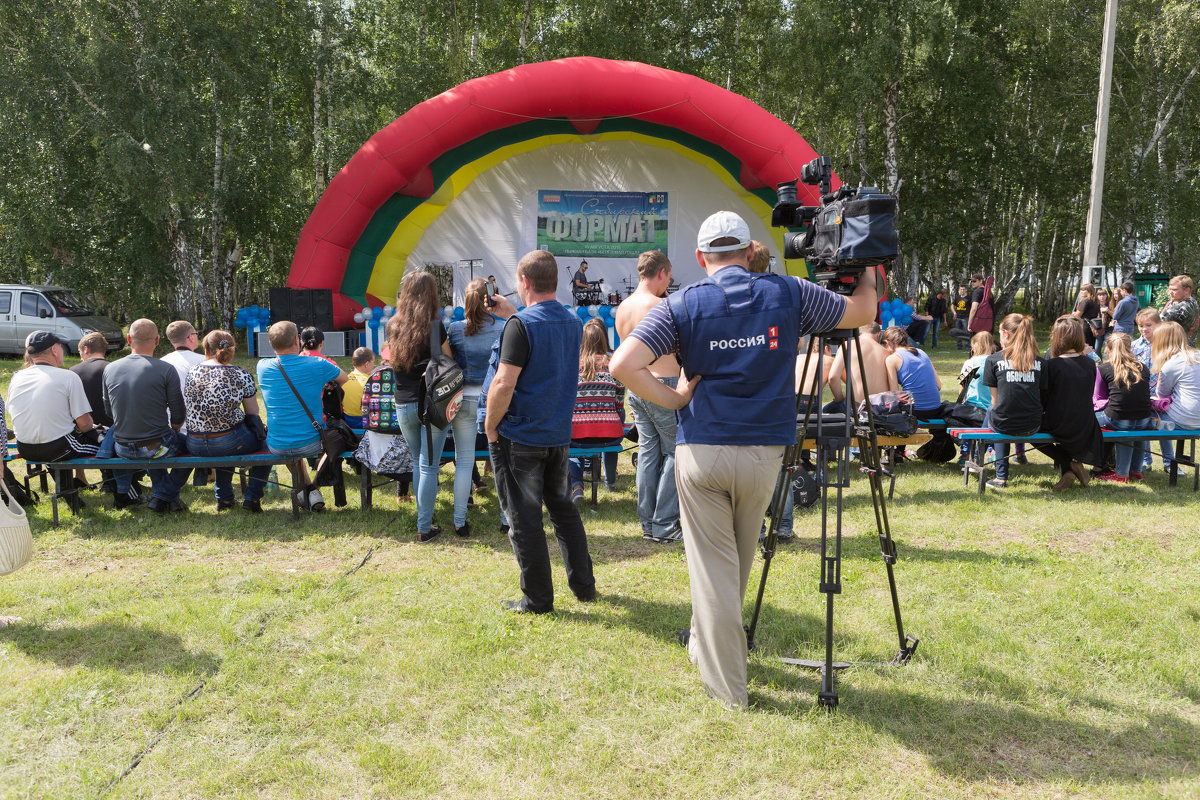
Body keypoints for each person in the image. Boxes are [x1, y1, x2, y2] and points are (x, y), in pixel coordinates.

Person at [610, 209, 877, 709]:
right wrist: (863, 260)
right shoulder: (790, 293)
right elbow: (863, 312)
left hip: (704, 450)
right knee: (734, 563)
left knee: (715, 568)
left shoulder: (681, 304)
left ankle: (729, 691)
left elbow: (622, 364)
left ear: (700, 256)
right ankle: (706, 648)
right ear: (747, 248)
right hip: (764, 453)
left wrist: (676, 398)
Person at [483, 249, 597, 614]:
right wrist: (512, 316)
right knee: (563, 510)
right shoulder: (573, 321)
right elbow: (541, 341)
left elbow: (503, 382)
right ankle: (584, 586)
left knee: (524, 519)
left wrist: (489, 426)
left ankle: (536, 599)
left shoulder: (522, 325)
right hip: (558, 433)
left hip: (522, 435)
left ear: (524, 283)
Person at [615, 250, 682, 543]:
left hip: (636, 388)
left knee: (648, 453)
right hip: (662, 384)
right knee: (677, 453)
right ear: (662, 274)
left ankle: (649, 523)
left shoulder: (622, 308)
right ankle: (665, 523)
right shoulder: (662, 306)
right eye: (668, 277)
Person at [389, 271, 455, 542]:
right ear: (431, 294)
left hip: (403, 403)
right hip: (431, 405)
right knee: (428, 465)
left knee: (419, 462)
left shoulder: (392, 325)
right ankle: (424, 527)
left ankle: (423, 516)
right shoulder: (435, 326)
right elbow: (448, 363)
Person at [258, 320, 348, 513]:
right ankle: (313, 488)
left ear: (271, 343)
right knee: (340, 437)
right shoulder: (318, 363)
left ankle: (307, 491)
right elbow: (344, 378)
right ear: (297, 340)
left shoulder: (262, 366)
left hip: (277, 443)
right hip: (312, 441)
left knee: (291, 448)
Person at [448, 277, 514, 538]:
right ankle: (506, 519)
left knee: (464, 461)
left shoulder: (454, 329)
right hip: (494, 398)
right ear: (490, 298)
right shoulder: (504, 326)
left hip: (463, 397)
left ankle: (459, 521)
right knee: (501, 460)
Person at [104, 319, 192, 512]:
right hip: (157, 444)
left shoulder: (109, 369)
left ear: (128, 339)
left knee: (156, 442)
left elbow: (109, 411)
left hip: (123, 446)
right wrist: (174, 429)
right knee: (193, 448)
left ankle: (163, 498)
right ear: (157, 340)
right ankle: (164, 496)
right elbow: (178, 414)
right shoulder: (165, 369)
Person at [7, 330, 99, 512]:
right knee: (108, 446)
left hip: (24, 447)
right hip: (57, 447)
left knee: (60, 438)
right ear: (55, 350)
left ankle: (69, 492)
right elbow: (85, 424)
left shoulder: (16, 378)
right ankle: (123, 492)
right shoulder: (68, 377)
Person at [183, 330, 271, 511]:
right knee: (267, 444)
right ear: (231, 350)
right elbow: (252, 413)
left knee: (231, 436)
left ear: (206, 348)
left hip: (195, 442)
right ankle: (252, 498)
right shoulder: (240, 374)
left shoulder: (192, 372)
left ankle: (224, 499)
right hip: (227, 441)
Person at [1037, 316, 1103, 490]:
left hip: (1059, 421)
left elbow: (1044, 398)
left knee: (1029, 431)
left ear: (1057, 338)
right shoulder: (1090, 364)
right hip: (1086, 422)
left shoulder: (1050, 365)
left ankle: (1068, 465)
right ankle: (1069, 470)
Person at [980, 315, 1045, 489]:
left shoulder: (993, 360)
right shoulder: (1040, 362)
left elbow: (995, 401)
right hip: (1033, 424)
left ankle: (999, 475)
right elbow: (1039, 395)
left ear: (1006, 334)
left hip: (1004, 423)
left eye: (1000, 332)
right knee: (1001, 412)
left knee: (995, 411)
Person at [567, 319, 625, 503]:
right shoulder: (614, 365)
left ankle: (577, 486)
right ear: (604, 340)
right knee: (617, 416)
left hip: (576, 436)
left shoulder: (571, 366)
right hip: (610, 436)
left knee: (568, 443)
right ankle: (610, 482)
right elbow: (619, 404)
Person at [1092, 332, 1153, 483]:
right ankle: (1136, 471)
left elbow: (1099, 398)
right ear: (1130, 348)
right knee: (1134, 423)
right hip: (1145, 420)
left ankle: (1121, 474)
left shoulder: (1104, 368)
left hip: (1118, 419)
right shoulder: (1143, 367)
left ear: (1107, 349)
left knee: (1087, 419)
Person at [881, 327, 950, 420]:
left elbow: (895, 394)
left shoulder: (892, 359)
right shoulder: (922, 353)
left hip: (915, 411)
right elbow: (938, 386)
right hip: (936, 409)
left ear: (887, 343)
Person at [824, 322, 889, 414]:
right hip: (880, 410)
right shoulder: (886, 352)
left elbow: (833, 377)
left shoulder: (847, 345)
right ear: (878, 334)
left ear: (859, 333)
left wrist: (840, 399)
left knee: (824, 410)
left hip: (856, 408)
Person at [1152, 320, 1200, 432]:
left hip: (1183, 419)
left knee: (1142, 416)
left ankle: (1145, 450)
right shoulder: (1197, 355)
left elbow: (1162, 395)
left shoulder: (1171, 364)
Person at [1131, 307, 1161, 470]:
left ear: (1158, 325)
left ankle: (1169, 462)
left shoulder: (1163, 345)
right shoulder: (1135, 346)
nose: (1144, 329)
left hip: (1160, 393)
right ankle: (1146, 460)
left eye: (1148, 325)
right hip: (1142, 393)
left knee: (1162, 424)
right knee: (1144, 425)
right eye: (1141, 326)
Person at [341, 348, 375, 430]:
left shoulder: (344, 379)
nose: (374, 365)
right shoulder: (370, 381)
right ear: (367, 364)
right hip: (364, 422)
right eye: (373, 362)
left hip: (347, 421)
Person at [1161, 274, 1199, 344]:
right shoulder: (1192, 302)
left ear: (1187, 290)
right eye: (1170, 289)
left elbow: (1158, 323)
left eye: (1174, 290)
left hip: (1179, 349)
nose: (1170, 293)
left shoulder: (1184, 306)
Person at [1073, 283, 1101, 350]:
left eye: (1084, 290)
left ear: (1089, 291)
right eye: (1081, 290)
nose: (1082, 292)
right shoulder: (1096, 300)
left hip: (1085, 326)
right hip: (1093, 327)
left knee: (1085, 348)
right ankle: (1092, 360)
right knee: (1091, 347)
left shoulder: (1085, 301)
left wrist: (1074, 314)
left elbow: (1078, 315)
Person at [1094, 287, 1115, 356]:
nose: (1102, 297)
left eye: (1103, 295)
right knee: (1097, 348)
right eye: (1100, 295)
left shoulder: (1110, 304)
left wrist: (1107, 310)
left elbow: (1115, 315)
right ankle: (1100, 364)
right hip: (1099, 329)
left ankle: (1108, 364)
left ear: (1106, 295)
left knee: (1108, 348)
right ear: (1097, 296)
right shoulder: (1096, 305)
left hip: (1109, 328)